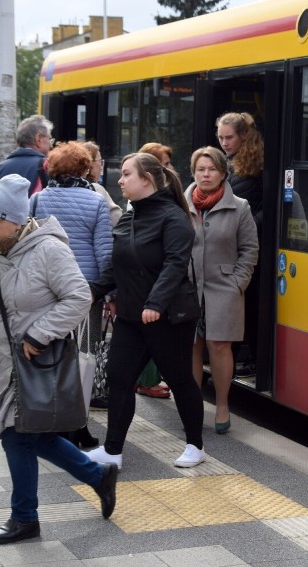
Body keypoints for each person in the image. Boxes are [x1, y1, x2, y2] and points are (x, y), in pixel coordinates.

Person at [0, 174, 118, 545]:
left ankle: (24, 519)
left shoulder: (49, 250)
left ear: (16, 220)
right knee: (41, 436)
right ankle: (98, 477)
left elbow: (79, 297)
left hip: (37, 361)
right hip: (8, 364)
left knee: (15, 438)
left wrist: (40, 333)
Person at [86, 152, 206, 469]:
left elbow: (175, 265)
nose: (120, 180)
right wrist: (94, 290)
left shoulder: (174, 217)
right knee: (118, 377)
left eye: (126, 174)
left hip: (166, 318)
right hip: (130, 316)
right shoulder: (130, 216)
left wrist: (155, 303)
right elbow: (118, 266)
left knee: (180, 379)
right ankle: (113, 451)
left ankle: (196, 445)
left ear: (147, 179)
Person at [30, 141, 114, 449]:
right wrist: (109, 292)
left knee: (51, 354)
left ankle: (48, 421)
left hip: (47, 289)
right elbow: (105, 253)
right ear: (84, 168)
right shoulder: (96, 202)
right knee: (84, 356)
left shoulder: (38, 201)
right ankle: (78, 426)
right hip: (85, 292)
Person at [185, 146, 258, 434]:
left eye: (212, 169)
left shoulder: (240, 206)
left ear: (223, 173)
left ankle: (223, 405)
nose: (206, 174)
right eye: (201, 169)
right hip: (188, 288)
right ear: (193, 172)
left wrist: (237, 283)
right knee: (191, 346)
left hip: (224, 287)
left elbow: (250, 249)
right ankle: (192, 408)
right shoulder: (181, 203)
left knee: (219, 346)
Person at [216, 112, 264, 379]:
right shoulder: (226, 162)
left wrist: (243, 225)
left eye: (229, 137)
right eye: (221, 137)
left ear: (243, 136)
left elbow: (266, 208)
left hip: (248, 245)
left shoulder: (257, 165)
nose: (224, 142)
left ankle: (251, 356)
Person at [0, 115, 54, 275]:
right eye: (50, 139)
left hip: (1, 260)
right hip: (36, 263)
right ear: (39, 139)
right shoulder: (48, 169)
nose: (51, 145)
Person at [134, 142, 177, 399]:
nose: (170, 168)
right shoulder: (143, 205)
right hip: (147, 286)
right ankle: (147, 380)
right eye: (165, 163)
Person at [83, 141, 123, 226]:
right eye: (100, 161)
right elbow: (116, 218)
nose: (101, 167)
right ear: (89, 164)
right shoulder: (96, 188)